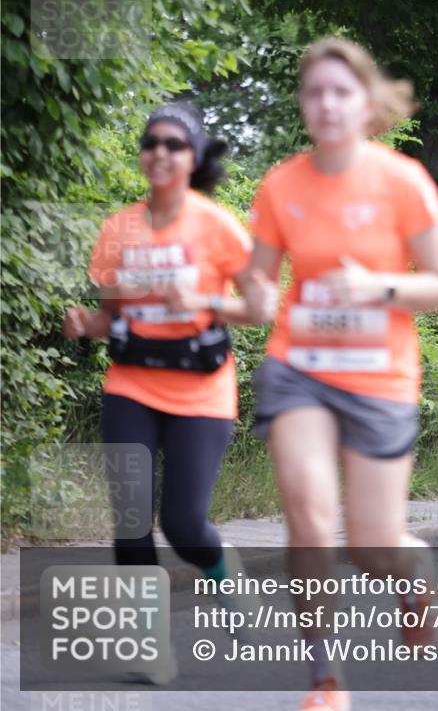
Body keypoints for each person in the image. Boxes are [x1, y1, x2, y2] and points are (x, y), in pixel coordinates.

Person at [247, 37, 438, 710]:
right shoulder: (282, 184)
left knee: (372, 549)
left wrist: (376, 286)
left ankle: (412, 568)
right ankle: (326, 680)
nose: (326, 104)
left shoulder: (401, 181)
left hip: (379, 374)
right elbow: (259, 284)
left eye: (340, 92)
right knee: (308, 520)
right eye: (313, 93)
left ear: (365, 102)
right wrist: (249, 296)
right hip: (299, 367)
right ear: (303, 105)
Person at [64, 100, 277, 683]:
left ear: (194, 157)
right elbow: (114, 317)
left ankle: (222, 575)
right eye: (151, 142)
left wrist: (207, 302)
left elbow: (261, 307)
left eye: (175, 144)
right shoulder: (118, 229)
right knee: (131, 519)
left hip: (201, 390)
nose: (160, 151)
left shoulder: (217, 226)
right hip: (131, 382)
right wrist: (88, 325)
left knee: (184, 522)